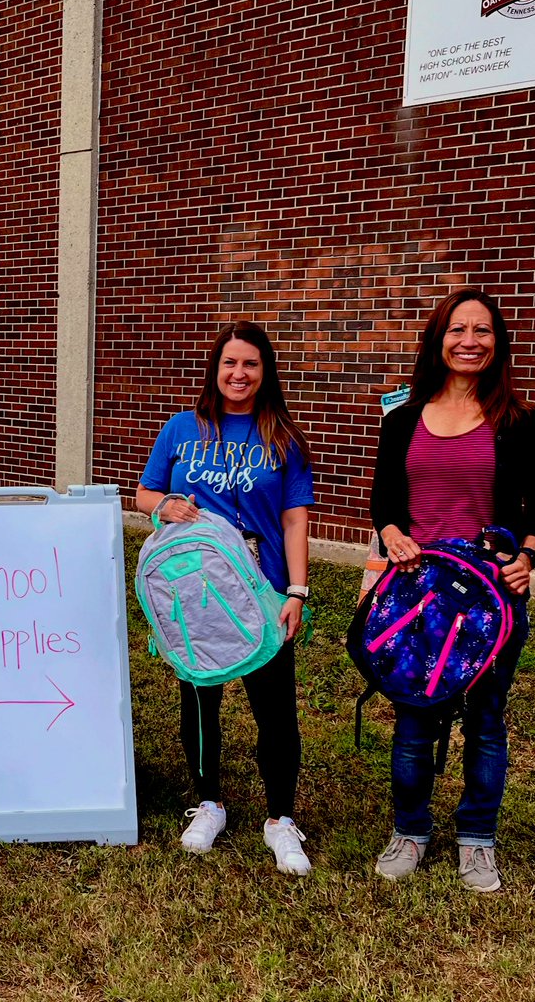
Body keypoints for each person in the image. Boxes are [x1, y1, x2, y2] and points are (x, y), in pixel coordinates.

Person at [370, 287, 535, 892]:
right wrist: (393, 533)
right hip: (419, 597)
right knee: (415, 719)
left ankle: (477, 839)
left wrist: (527, 557)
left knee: (486, 720)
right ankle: (410, 830)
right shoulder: (401, 419)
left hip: (492, 599)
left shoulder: (520, 424)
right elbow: (384, 504)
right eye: (456, 329)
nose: (468, 340)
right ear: (438, 339)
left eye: (481, 330)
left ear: (497, 343)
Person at [135, 320, 315, 874]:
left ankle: (281, 819)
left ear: (266, 373)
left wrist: (297, 591)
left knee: (276, 710)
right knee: (199, 702)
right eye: (230, 363)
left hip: (262, 587)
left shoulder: (282, 437)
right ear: (215, 369)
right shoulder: (181, 429)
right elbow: (143, 493)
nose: (239, 374)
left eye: (251, 364)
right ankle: (209, 803)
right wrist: (163, 505)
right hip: (196, 588)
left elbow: (293, 519)